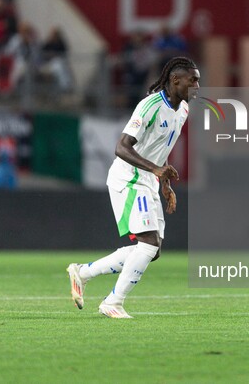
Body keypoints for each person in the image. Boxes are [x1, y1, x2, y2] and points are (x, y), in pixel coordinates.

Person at [66, 57, 200, 319]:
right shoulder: (149, 106)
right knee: (148, 243)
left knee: (153, 250)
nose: (197, 86)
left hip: (148, 179)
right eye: (192, 80)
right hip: (128, 178)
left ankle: (82, 273)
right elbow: (122, 147)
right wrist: (155, 169)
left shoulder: (182, 110)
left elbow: (159, 151)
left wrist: (163, 181)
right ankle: (113, 302)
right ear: (175, 80)